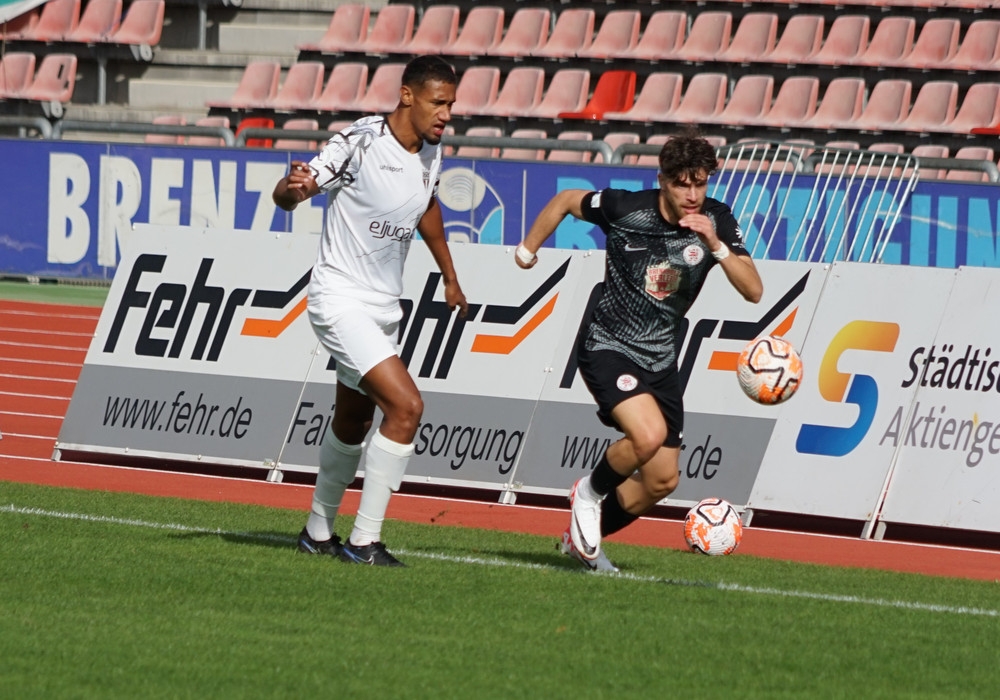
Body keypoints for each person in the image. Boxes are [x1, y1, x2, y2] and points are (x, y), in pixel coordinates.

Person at [515, 128, 763, 572]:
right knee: (646, 437)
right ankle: (587, 493)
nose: (692, 195)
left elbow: (754, 291)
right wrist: (527, 249)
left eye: (700, 184)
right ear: (662, 180)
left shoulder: (717, 219)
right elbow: (566, 200)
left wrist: (715, 245)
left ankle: (578, 539)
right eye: (682, 184)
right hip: (607, 345)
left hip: (660, 360)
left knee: (662, 479)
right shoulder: (625, 209)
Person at [272, 55, 468, 567]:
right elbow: (295, 190)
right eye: (438, 102)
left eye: (451, 104)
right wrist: (293, 189)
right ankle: (364, 541)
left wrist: (449, 276)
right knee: (406, 408)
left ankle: (317, 533)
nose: (447, 114)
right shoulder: (359, 141)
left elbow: (426, 204)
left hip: (383, 308)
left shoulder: (432, 149)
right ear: (407, 96)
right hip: (340, 299)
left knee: (353, 420)